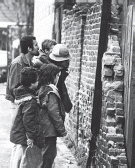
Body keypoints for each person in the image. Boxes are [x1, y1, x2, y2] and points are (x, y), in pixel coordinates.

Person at [10, 67, 44, 168]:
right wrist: (31, 137)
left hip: (21, 133)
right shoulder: (30, 101)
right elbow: (28, 120)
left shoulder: (22, 94)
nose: (38, 82)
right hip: (25, 135)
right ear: (32, 83)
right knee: (26, 160)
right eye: (37, 80)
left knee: (21, 158)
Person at [38, 64, 67, 168]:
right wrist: (62, 130)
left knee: (44, 157)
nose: (57, 78)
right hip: (49, 131)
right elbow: (54, 112)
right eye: (57, 76)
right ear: (52, 76)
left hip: (43, 129)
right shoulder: (51, 91)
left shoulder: (42, 88)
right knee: (48, 158)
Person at [6, 35, 39, 123]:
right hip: (18, 104)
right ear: (29, 48)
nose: (38, 47)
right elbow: (14, 88)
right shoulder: (18, 63)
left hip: (26, 103)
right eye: (36, 45)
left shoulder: (30, 63)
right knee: (18, 133)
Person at [33, 43, 72, 113]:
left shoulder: (59, 71)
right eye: (65, 61)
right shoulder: (43, 68)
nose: (67, 63)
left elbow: (60, 86)